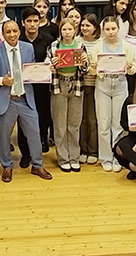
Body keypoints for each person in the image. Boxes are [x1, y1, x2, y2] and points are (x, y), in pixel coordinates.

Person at [0, 20, 53, 182]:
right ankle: (7, 166)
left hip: (26, 98)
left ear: (19, 31)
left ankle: (37, 165)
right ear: (3, 34)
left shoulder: (28, 48)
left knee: (35, 133)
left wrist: (45, 70)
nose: (12, 35)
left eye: (15, 31)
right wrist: (2, 80)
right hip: (6, 100)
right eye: (8, 32)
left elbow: (32, 70)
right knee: (4, 136)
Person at [89, 16, 136, 173]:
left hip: (120, 84)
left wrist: (130, 66)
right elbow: (91, 71)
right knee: (103, 123)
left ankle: (117, 157)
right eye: (107, 29)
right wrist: (93, 66)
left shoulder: (126, 46)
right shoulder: (98, 46)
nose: (110, 32)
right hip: (103, 84)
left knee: (118, 124)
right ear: (103, 30)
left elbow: (134, 70)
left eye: (113, 29)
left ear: (118, 29)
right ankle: (105, 157)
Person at [48, 19, 88, 173]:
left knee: (74, 124)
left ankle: (74, 157)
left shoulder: (80, 46)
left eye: (70, 29)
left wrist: (84, 63)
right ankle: (63, 158)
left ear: (75, 30)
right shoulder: (54, 46)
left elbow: (85, 69)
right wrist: (51, 66)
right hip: (59, 86)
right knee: (60, 125)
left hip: (76, 86)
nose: (67, 32)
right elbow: (47, 66)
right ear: (60, 31)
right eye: (64, 29)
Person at [19, 7, 54, 161]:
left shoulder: (48, 39)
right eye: (29, 21)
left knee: (42, 115)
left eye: (35, 21)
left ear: (40, 22)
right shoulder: (18, 39)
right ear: (23, 23)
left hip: (42, 86)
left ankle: (41, 142)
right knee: (23, 118)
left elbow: (53, 59)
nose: (32, 24)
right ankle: (25, 153)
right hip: (23, 85)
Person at [78, 13, 102, 164]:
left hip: (96, 85)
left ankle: (93, 150)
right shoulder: (76, 42)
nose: (84, 28)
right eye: (82, 25)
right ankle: (82, 149)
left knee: (93, 119)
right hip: (79, 85)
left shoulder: (101, 43)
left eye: (88, 25)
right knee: (81, 119)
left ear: (95, 27)